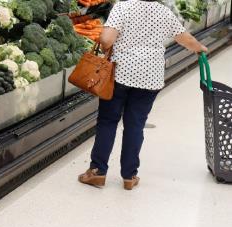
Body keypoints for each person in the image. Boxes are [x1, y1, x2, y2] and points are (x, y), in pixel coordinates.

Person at [78, 0, 208, 190]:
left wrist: (111, 49)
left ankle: (97, 172)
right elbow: (184, 38)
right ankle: (129, 176)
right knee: (135, 124)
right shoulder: (164, 12)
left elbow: (106, 39)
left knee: (108, 121)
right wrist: (200, 48)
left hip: (120, 74)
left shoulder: (123, 7)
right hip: (150, 77)